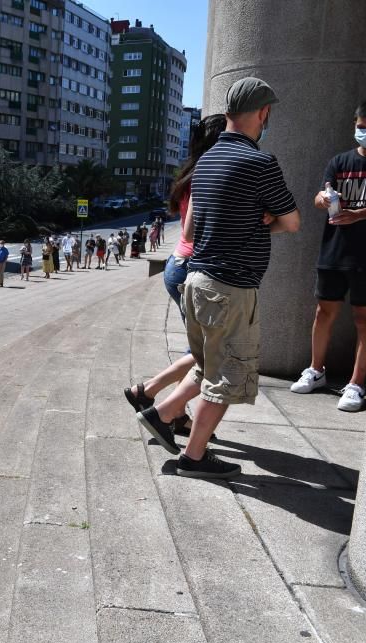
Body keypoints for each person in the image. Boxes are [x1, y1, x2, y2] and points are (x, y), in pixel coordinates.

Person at [136, 77, 300, 479]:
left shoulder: (205, 162)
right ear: (263, 113)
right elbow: (291, 222)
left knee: (209, 365)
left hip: (196, 282)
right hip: (231, 288)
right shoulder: (260, 162)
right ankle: (193, 458)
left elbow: (190, 233)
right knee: (227, 378)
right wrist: (261, 222)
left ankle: (162, 413)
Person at [124, 114, 227, 434]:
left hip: (179, 265)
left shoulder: (193, 171)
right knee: (210, 355)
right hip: (190, 268)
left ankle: (163, 402)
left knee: (201, 351)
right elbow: (193, 230)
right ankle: (154, 397)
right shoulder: (207, 175)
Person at [291, 98, 366, 412]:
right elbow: (317, 197)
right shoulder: (340, 162)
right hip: (334, 250)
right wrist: (324, 200)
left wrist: (360, 214)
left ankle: (356, 384)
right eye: (362, 127)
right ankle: (316, 370)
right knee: (323, 313)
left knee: (365, 319)